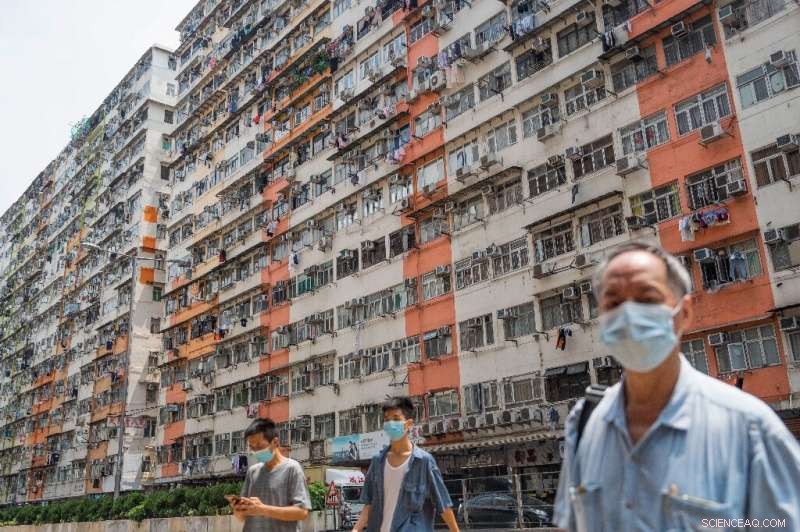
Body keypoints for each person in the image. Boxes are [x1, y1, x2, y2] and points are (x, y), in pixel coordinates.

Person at [554, 242, 800, 531]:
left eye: (647, 299)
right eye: (613, 303)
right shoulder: (584, 422)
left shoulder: (749, 428)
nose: (629, 315)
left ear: (683, 313)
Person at [352, 396, 460, 532]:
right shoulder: (377, 462)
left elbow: (443, 504)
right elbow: (369, 505)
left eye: (396, 419)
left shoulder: (424, 462)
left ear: (408, 424)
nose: (390, 423)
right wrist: (356, 529)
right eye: (386, 420)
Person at [231, 418, 311, 532]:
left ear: (275, 442)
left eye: (259, 445)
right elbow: (242, 516)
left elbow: (302, 512)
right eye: (252, 447)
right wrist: (238, 510)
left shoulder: (292, 469)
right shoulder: (252, 472)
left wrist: (263, 509)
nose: (255, 451)